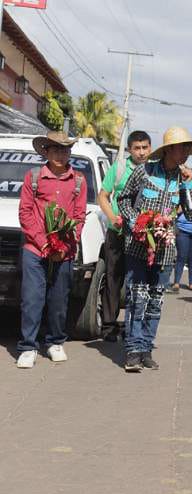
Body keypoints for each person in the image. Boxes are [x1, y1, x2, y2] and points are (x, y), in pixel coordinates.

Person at [117, 126, 192, 372]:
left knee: (155, 301)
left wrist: (188, 185)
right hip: (137, 247)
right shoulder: (144, 171)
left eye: (188, 148)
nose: (186, 153)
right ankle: (133, 350)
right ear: (169, 150)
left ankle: (146, 349)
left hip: (165, 250)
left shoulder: (184, 180)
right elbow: (123, 200)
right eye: (182, 148)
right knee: (137, 298)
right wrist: (136, 223)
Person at [16, 131, 87, 368]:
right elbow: (25, 213)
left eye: (64, 150)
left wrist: (64, 246)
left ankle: (55, 342)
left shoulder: (79, 180)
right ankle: (28, 346)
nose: (60, 154)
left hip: (64, 251)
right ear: (46, 152)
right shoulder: (33, 176)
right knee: (32, 299)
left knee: (59, 300)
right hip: (35, 249)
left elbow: (79, 217)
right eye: (55, 149)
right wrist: (43, 242)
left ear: (70, 153)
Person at [97, 130, 152, 343]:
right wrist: (113, 218)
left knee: (138, 282)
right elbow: (103, 196)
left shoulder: (154, 170)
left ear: (150, 148)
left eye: (145, 147)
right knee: (113, 279)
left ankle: (134, 327)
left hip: (144, 236)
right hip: (118, 233)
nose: (141, 152)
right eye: (137, 148)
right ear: (130, 149)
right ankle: (109, 326)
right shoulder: (119, 168)